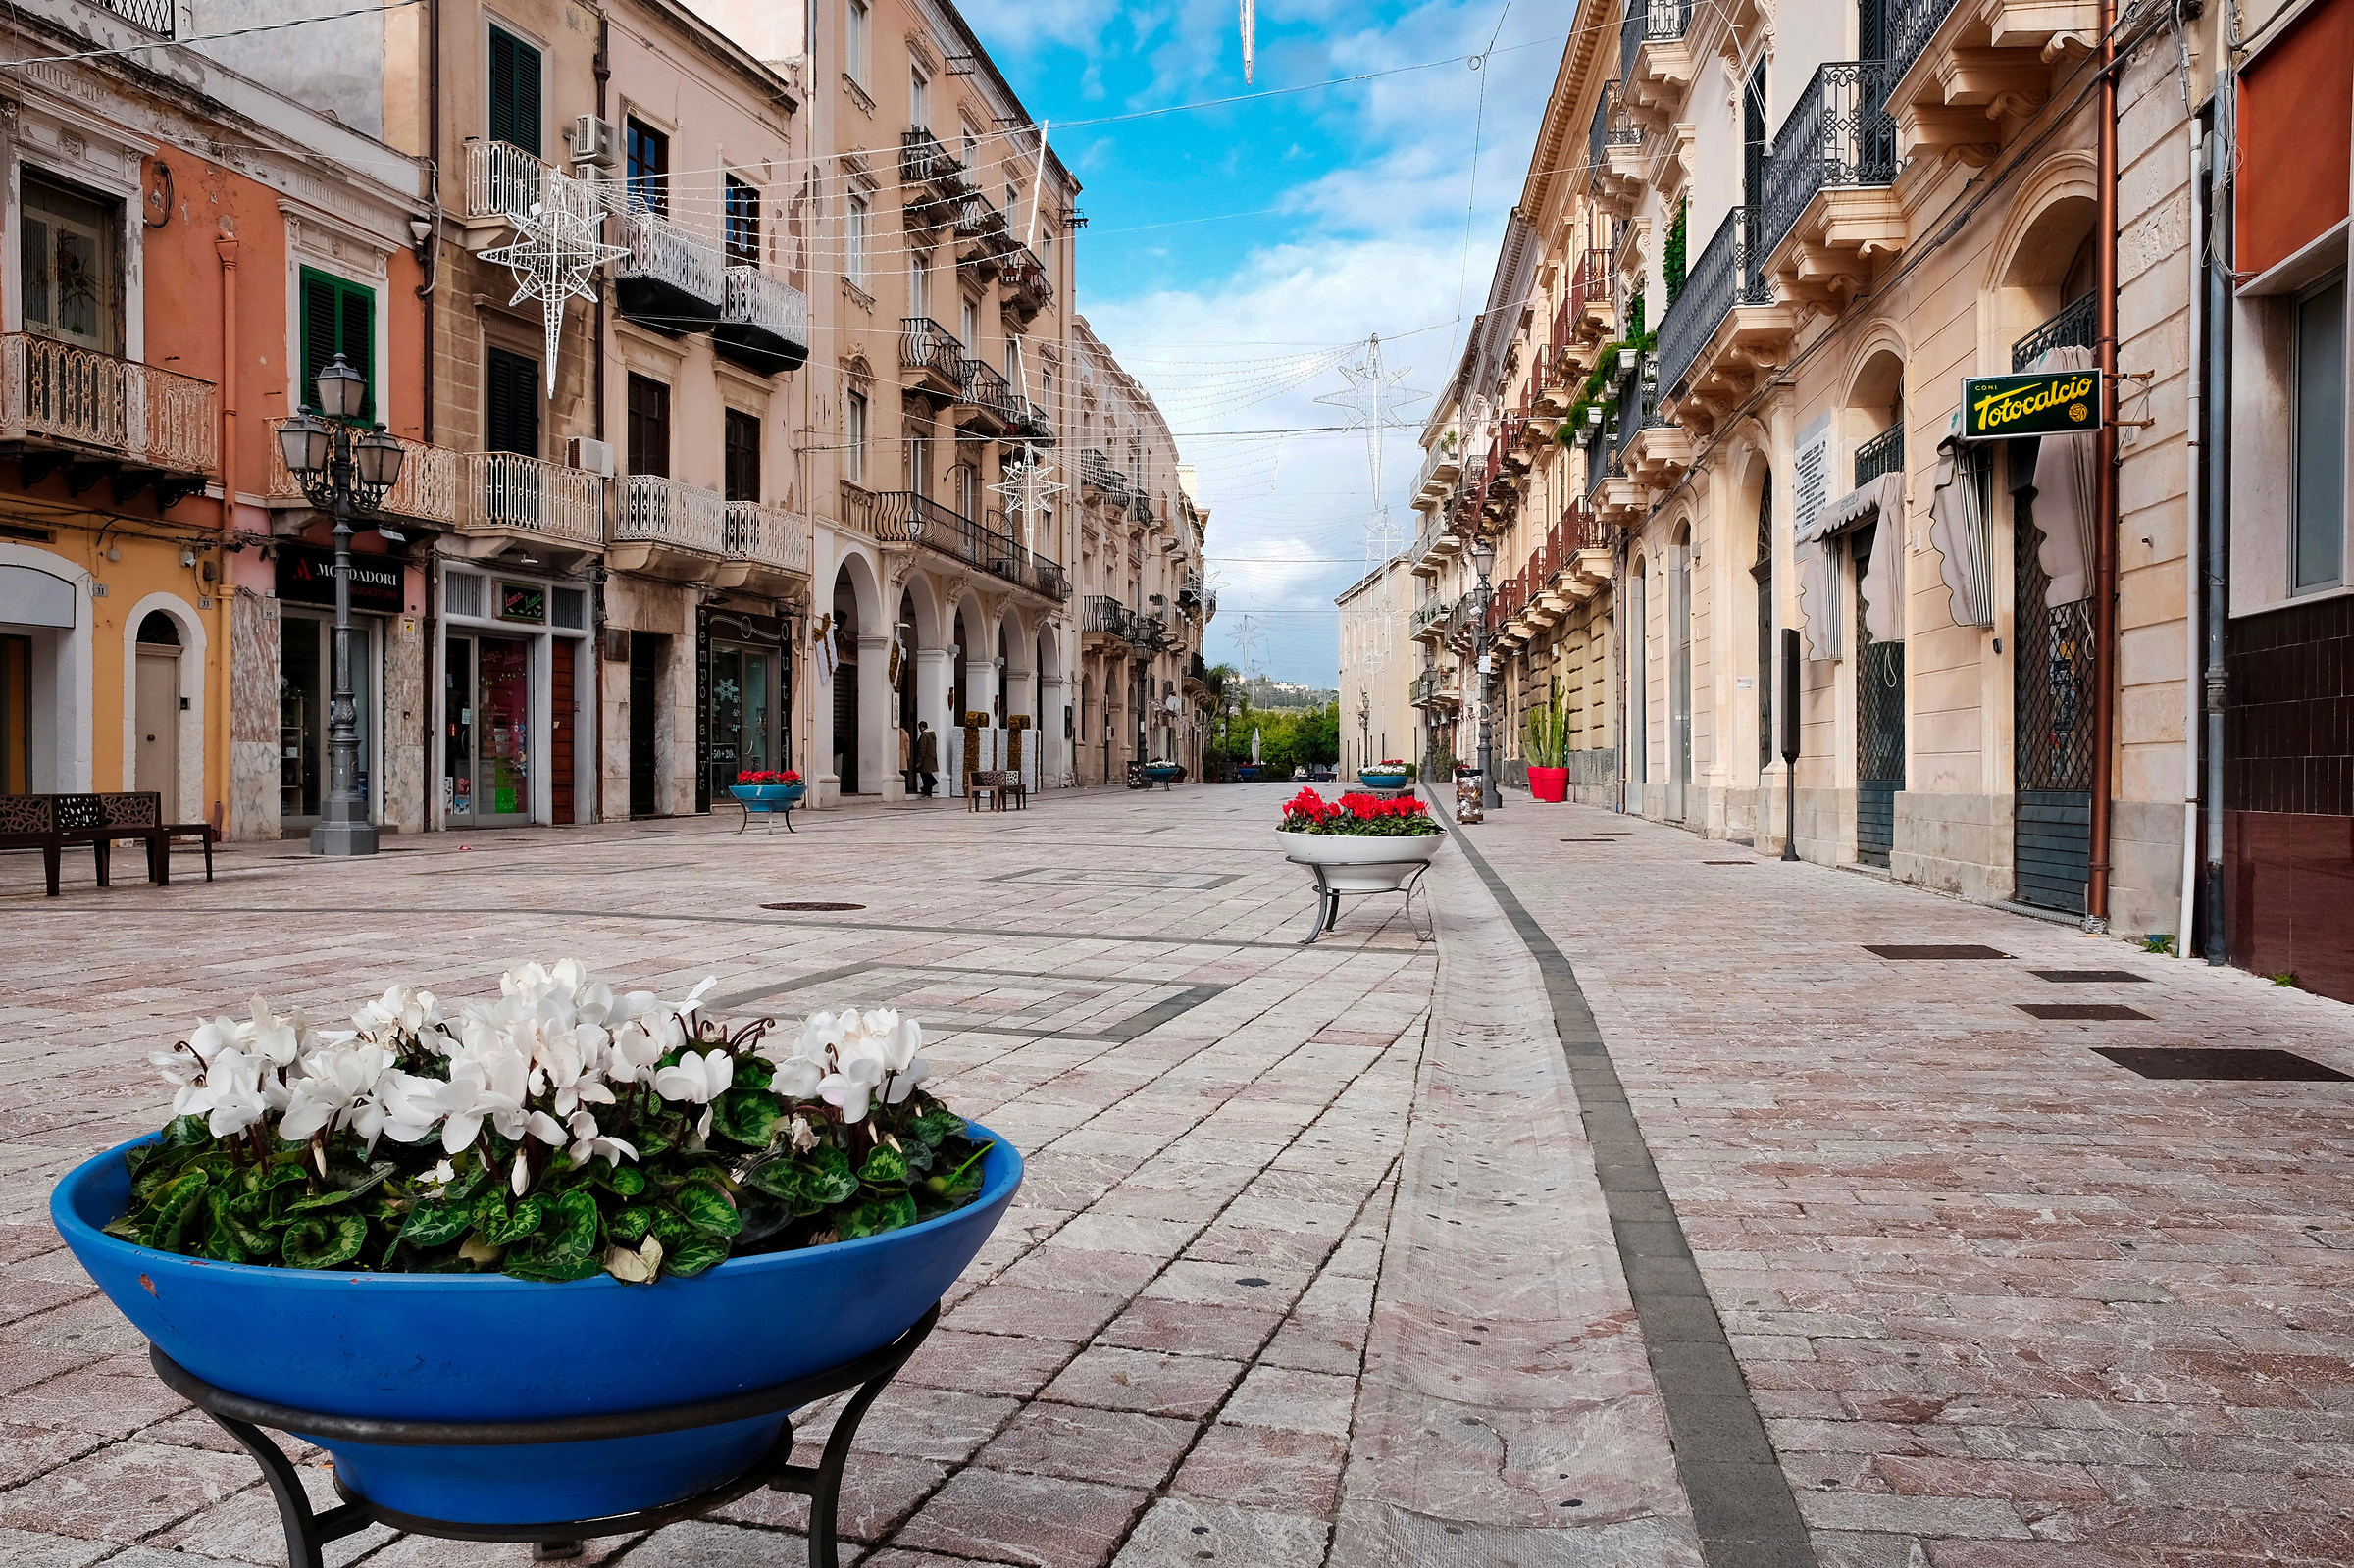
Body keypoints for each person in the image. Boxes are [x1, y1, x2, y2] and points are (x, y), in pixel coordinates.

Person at [913, 722, 938, 798]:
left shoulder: (924, 736)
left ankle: (928, 793)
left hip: (925, 759)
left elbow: (922, 749)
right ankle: (929, 787)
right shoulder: (931, 735)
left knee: (925, 776)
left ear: (921, 727)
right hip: (930, 758)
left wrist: (919, 761)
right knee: (927, 774)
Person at [899, 725, 915, 795]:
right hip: (903, 753)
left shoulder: (897, 733)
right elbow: (907, 746)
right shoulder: (905, 734)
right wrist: (908, 756)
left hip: (895, 753)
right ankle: (904, 788)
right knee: (904, 771)